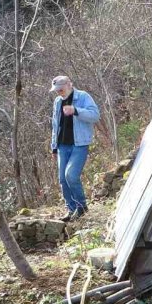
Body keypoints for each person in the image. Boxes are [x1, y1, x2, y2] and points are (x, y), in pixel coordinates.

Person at [49, 76, 100, 222]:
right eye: (56, 90)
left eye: (61, 89)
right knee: (62, 179)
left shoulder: (83, 97)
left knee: (71, 175)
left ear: (69, 85)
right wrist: (54, 147)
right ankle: (71, 210)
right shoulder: (57, 101)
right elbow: (55, 125)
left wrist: (76, 110)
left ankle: (82, 206)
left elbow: (95, 116)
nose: (59, 92)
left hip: (79, 143)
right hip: (62, 145)